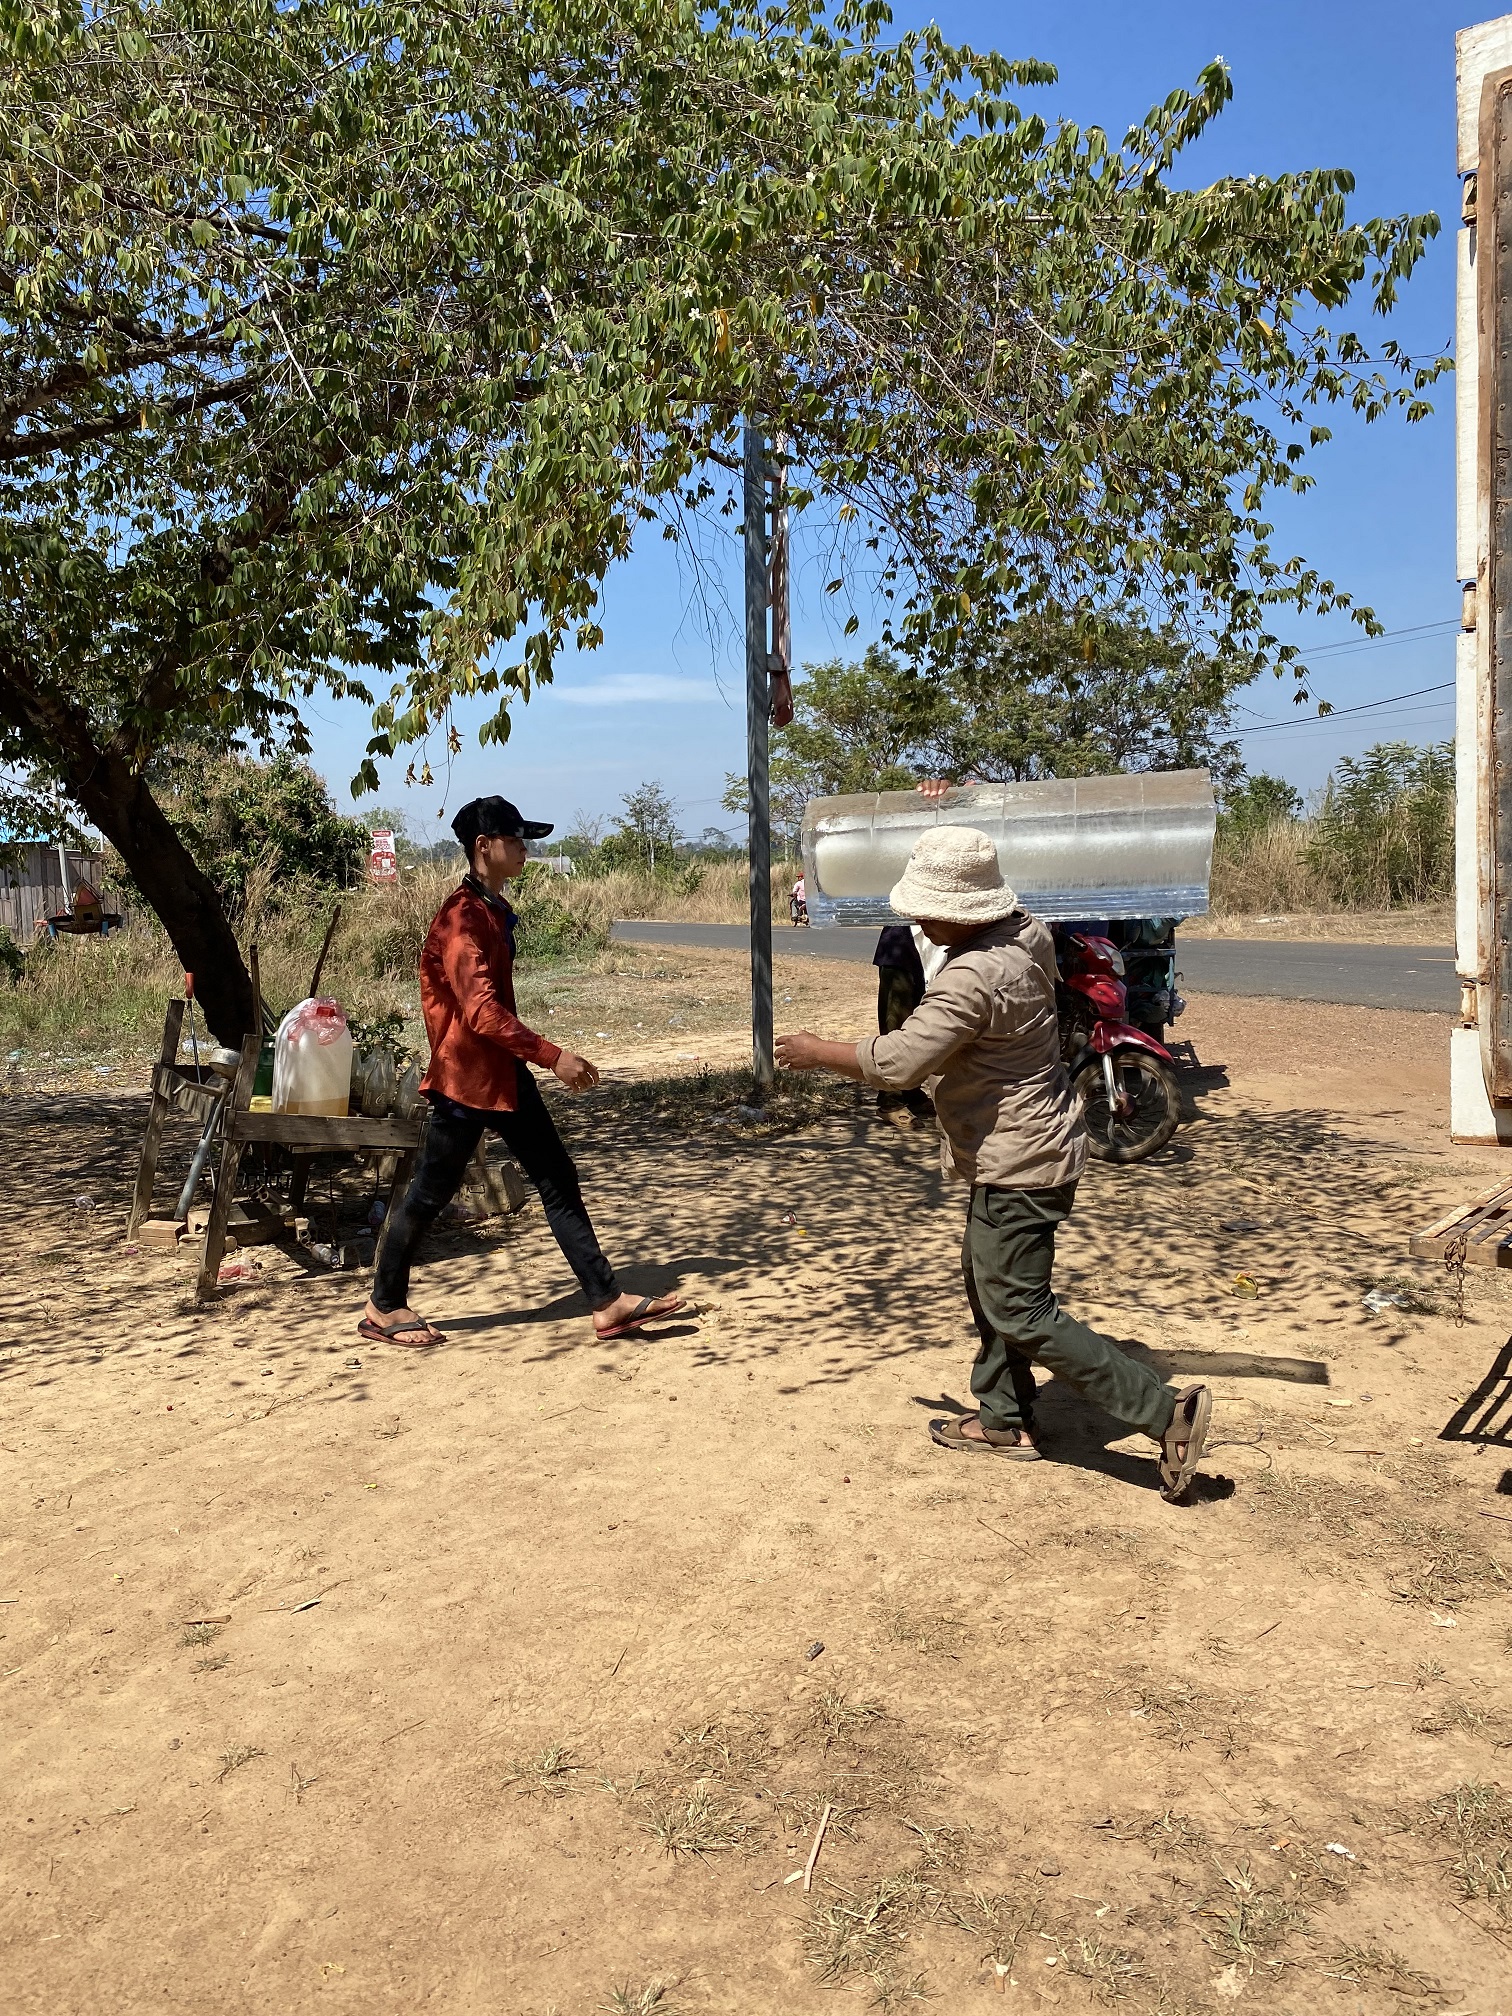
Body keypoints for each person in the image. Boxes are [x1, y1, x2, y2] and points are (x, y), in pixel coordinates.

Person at [774, 825, 1210, 1502]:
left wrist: (815, 1050)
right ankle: (1003, 1418)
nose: (914, 918)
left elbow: (898, 1064)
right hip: (1027, 1147)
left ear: (962, 911)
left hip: (1021, 1160)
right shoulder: (1024, 931)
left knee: (1021, 1307)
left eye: (923, 907)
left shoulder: (975, 976)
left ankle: (1164, 1413)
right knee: (989, 1283)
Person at [359, 794, 685, 1349]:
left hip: (502, 1076)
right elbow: (481, 1012)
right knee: (429, 1195)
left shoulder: (488, 908)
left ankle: (606, 1302)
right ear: (482, 847)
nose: (525, 848)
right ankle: (383, 1306)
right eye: (515, 839)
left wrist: (532, 1057)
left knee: (557, 1179)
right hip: (466, 1081)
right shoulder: (462, 919)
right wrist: (554, 1055)